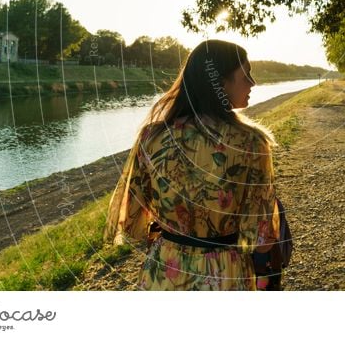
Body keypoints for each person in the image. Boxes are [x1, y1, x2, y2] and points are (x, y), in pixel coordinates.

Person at [104, 39, 281, 290]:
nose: (253, 82)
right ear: (220, 82)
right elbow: (263, 241)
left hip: (164, 271)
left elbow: (132, 221)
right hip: (224, 274)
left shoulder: (152, 137)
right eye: (246, 74)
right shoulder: (250, 143)